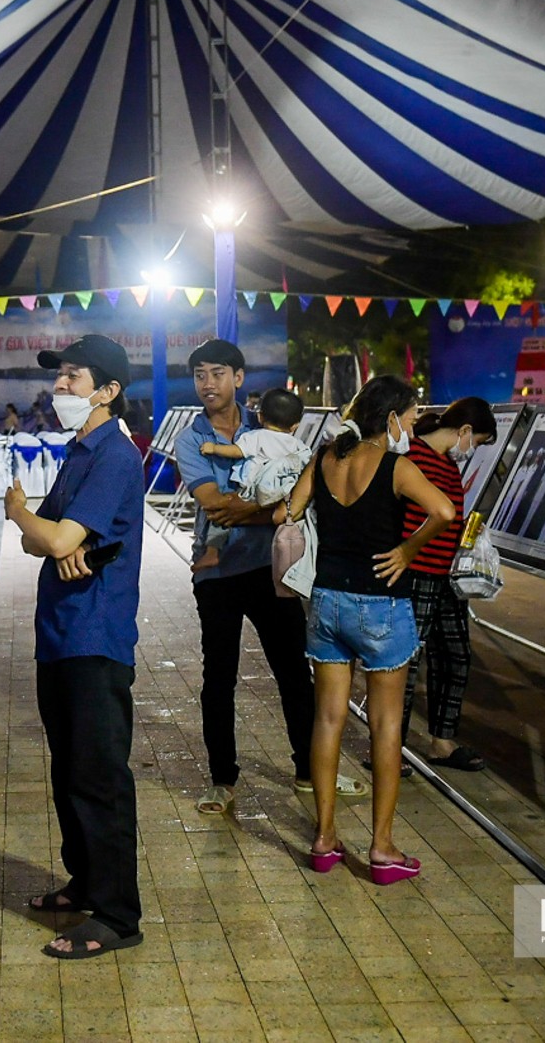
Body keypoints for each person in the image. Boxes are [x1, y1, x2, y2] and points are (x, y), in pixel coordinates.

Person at [5, 334, 145, 958]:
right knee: (70, 771)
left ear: (108, 391)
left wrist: (18, 512)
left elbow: (54, 540)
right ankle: (85, 883)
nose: (60, 387)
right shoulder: (80, 452)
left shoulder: (114, 454)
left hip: (95, 638)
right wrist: (51, 535)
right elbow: (52, 541)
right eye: (59, 377)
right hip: (61, 634)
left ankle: (117, 915)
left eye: (72, 377)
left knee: (98, 777)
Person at [285, 375, 454, 884]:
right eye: (412, 416)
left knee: (329, 720)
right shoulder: (398, 466)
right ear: (392, 419)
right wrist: (406, 550)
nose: (414, 425)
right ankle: (381, 848)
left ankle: (324, 838)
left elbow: (290, 510)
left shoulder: (325, 458)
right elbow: (444, 512)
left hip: (327, 601)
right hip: (382, 607)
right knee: (385, 726)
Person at [175, 339, 347, 817]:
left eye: (216, 373)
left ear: (238, 377)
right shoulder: (190, 439)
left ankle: (311, 770)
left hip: (273, 568)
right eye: (199, 375)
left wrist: (251, 511)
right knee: (219, 678)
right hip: (218, 576)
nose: (207, 383)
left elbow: (305, 490)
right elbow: (213, 504)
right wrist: (272, 510)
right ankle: (222, 779)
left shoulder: (268, 424)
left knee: (294, 671)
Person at [398, 398, 496, 773]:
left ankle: (441, 740)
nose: (472, 450)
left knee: (456, 654)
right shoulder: (414, 456)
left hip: (445, 576)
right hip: (417, 572)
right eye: (477, 441)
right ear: (465, 432)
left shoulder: (446, 464)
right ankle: (391, 746)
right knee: (408, 662)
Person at [191, 388, 311, 574]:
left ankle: (212, 551)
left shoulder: (255, 437)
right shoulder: (298, 446)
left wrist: (214, 448)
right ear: (295, 425)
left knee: (221, 518)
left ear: (260, 417)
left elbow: (237, 451)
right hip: (278, 495)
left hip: (252, 490)